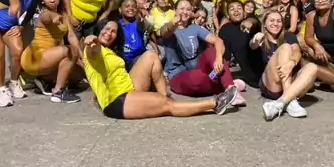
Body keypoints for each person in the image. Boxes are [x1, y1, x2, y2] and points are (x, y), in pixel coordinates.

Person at [84, 21, 238, 120]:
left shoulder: (110, 52)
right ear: (99, 30)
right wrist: (90, 41)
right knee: (167, 105)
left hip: (129, 87)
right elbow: (92, 52)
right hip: (117, 101)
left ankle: (163, 95)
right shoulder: (93, 50)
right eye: (106, 29)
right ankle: (215, 103)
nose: (109, 33)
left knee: (151, 55)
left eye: (113, 31)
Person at [160, 0, 245, 103]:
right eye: (181, 9)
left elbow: (218, 41)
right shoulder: (170, 28)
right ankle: (226, 83)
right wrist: (173, 23)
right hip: (178, 74)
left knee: (213, 51)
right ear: (175, 10)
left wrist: (218, 58)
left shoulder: (195, 28)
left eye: (188, 9)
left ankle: (230, 88)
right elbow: (164, 32)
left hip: (199, 68)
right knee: (198, 80)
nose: (185, 12)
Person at [250, 9, 318, 120]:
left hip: (290, 82)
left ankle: (281, 103)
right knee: (285, 47)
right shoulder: (261, 37)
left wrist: (291, 63)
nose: (275, 23)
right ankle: (290, 100)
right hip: (272, 84)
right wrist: (255, 40)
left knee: (313, 67)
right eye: (271, 20)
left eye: (279, 21)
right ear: (265, 24)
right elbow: (252, 45)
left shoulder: (288, 36)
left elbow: (297, 52)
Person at [20, 0, 82, 103]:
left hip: (50, 56)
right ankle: (58, 92)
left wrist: (82, 56)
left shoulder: (63, 16)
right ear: (43, 1)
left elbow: (71, 36)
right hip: (34, 57)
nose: (52, 0)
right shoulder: (44, 14)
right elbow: (47, 18)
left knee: (77, 75)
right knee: (71, 50)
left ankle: (45, 80)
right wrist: (53, 18)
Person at [218, 0, 262, 88]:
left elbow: (255, 22)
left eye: (239, 8)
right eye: (232, 9)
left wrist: (249, 22)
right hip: (252, 79)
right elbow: (224, 55)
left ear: (244, 12)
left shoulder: (252, 23)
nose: (236, 10)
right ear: (228, 15)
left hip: (266, 67)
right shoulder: (225, 30)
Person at [118, 0, 154, 69]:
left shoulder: (139, 22)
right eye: (127, 6)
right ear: (120, 9)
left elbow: (146, 32)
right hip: (125, 61)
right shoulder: (117, 25)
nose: (131, 8)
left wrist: (142, 21)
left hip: (141, 56)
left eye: (134, 6)